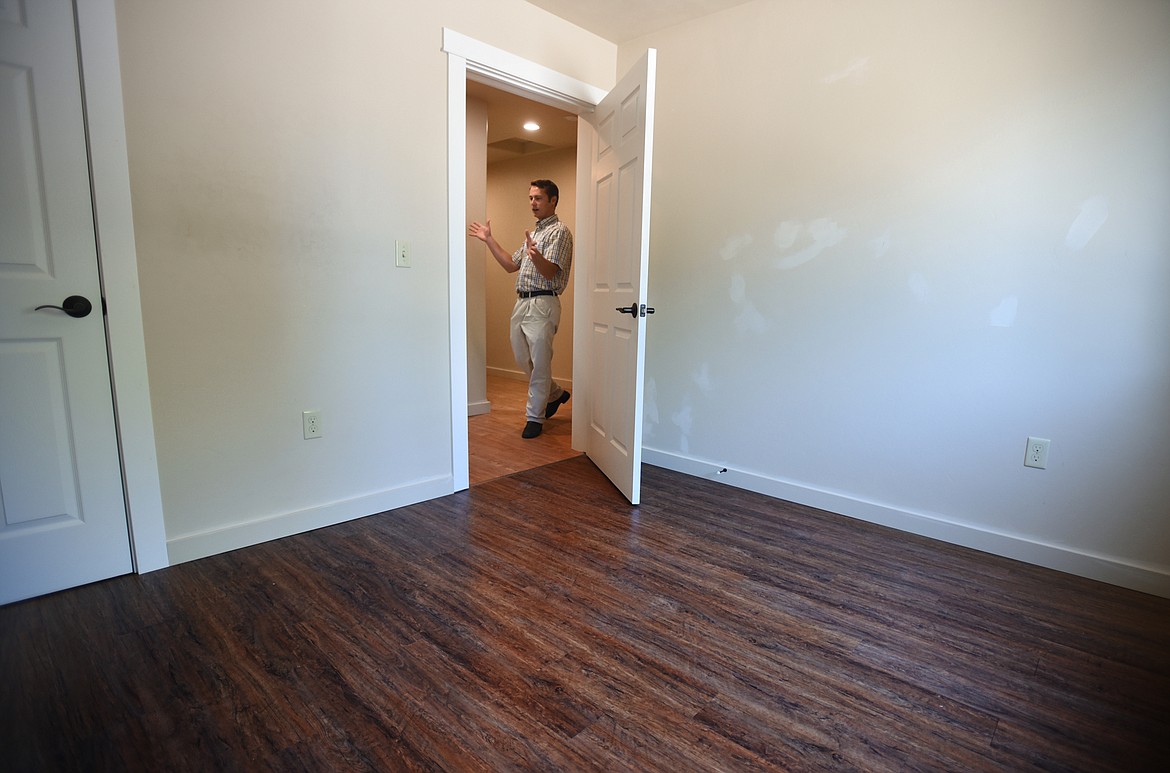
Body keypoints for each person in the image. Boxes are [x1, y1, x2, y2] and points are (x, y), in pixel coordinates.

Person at [469, 179, 573, 439]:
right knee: (521, 358)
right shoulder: (534, 234)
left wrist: (537, 257)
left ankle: (534, 417)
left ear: (553, 201)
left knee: (539, 364)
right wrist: (489, 240)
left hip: (543, 301)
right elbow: (510, 265)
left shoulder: (559, 232)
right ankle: (556, 394)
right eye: (530, 198)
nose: (533, 203)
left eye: (538, 198)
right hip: (522, 302)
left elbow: (551, 273)